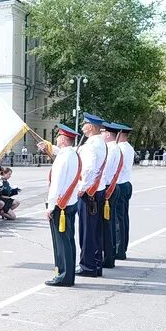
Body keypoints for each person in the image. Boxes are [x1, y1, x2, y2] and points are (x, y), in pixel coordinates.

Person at [45, 125, 81, 287]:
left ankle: (64, 276)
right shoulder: (73, 155)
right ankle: (68, 274)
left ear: (64, 140)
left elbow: (56, 183)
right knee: (68, 241)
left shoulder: (63, 157)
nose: (57, 139)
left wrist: (51, 206)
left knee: (61, 242)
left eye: (58, 137)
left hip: (61, 205)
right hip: (71, 202)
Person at [76, 113, 108, 277]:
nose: (82, 126)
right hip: (98, 189)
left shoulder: (91, 145)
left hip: (90, 192)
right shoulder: (100, 143)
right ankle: (95, 263)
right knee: (95, 230)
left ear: (90, 127)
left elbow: (88, 168)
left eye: (84, 123)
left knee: (87, 231)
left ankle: (88, 266)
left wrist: (82, 187)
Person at [99, 123, 124, 269]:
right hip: (112, 187)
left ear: (108, 134)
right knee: (110, 224)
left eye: (102, 132)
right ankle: (110, 255)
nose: (101, 135)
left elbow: (105, 171)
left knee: (106, 225)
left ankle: (107, 257)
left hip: (108, 188)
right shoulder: (115, 148)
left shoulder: (111, 149)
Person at [113, 124, 134, 260]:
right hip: (126, 183)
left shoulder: (119, 148)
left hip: (119, 185)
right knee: (124, 218)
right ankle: (122, 247)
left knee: (118, 220)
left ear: (119, 135)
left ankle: (119, 250)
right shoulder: (129, 147)